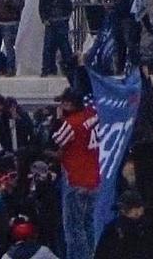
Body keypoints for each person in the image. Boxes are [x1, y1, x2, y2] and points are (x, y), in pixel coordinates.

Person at [52, 89, 101, 259]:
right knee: (88, 223)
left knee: (73, 227)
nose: (60, 106)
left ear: (70, 104)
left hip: (75, 179)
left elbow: (57, 143)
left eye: (63, 103)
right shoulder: (92, 116)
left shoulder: (71, 123)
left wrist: (58, 120)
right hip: (94, 179)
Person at [40, 0, 90, 76]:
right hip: (51, 22)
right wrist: (44, 19)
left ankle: (70, 69)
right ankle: (47, 69)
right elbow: (42, 7)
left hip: (62, 20)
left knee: (65, 46)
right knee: (49, 47)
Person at [94, 190, 153, 259]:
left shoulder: (150, 230)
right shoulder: (113, 229)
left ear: (141, 209)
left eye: (127, 209)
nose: (123, 212)